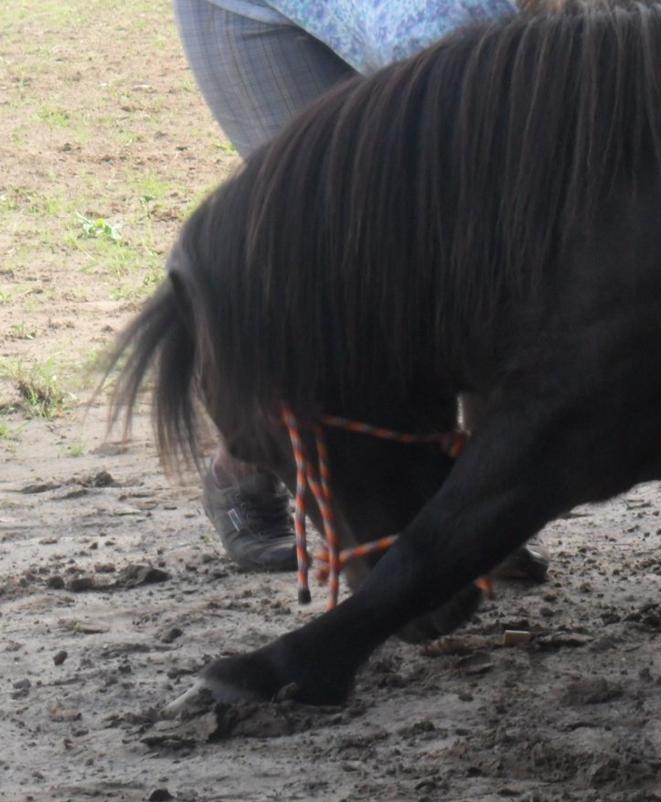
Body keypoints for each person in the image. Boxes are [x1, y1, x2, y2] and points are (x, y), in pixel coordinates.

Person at [174, 0, 517, 570]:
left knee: (476, 252)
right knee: (337, 268)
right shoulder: (444, 25)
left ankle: (481, 497)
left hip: (438, 40)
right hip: (267, 17)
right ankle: (244, 463)